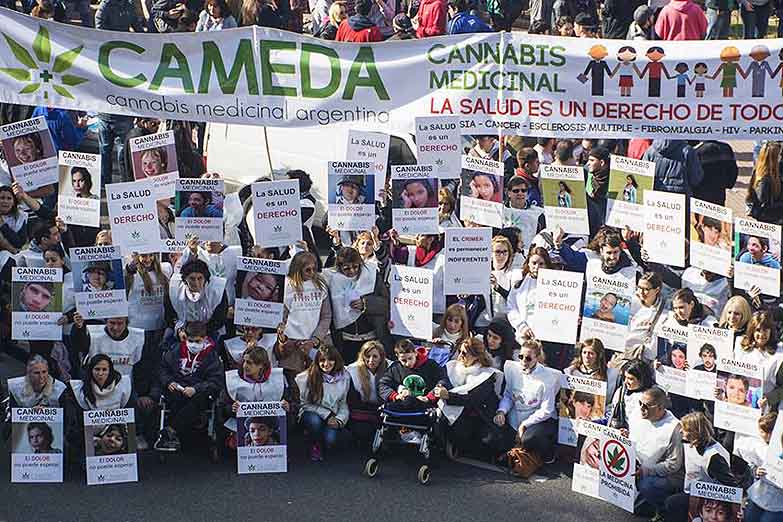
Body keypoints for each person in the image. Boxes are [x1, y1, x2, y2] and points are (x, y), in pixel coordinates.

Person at [664, 412, 745, 522]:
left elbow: (732, 486)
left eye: (685, 429)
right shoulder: (690, 442)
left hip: (711, 498)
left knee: (673, 503)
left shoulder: (714, 457)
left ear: (695, 432)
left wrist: (737, 511)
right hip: (691, 490)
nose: (680, 431)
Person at [493, 340, 561, 468]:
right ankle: (518, 453)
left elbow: (546, 410)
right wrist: (501, 411)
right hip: (515, 414)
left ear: (537, 358)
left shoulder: (547, 377)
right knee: (493, 438)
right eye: (521, 356)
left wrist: (525, 424)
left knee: (529, 440)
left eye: (528, 358)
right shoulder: (513, 370)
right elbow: (508, 395)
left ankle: (546, 451)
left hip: (538, 419)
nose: (523, 360)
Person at [157, 321, 223, 451]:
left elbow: (216, 381)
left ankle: (171, 430)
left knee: (200, 398)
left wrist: (196, 389)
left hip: (199, 392)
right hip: (177, 389)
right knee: (174, 396)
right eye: (190, 341)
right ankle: (175, 433)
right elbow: (162, 370)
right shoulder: (175, 350)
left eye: (198, 341)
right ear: (185, 338)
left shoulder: (212, 356)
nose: (193, 345)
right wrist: (169, 382)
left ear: (204, 339)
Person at [435, 337, 503, 456]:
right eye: (460, 351)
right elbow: (443, 380)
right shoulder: (452, 366)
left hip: (478, 415)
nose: (460, 356)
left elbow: (472, 400)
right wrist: (441, 386)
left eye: (464, 353)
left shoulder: (486, 374)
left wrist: (448, 396)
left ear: (476, 357)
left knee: (483, 441)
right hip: (459, 410)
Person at [325, 247, 388, 364]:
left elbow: (385, 302)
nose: (352, 271)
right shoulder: (331, 279)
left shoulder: (372, 275)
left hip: (370, 338)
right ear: (339, 267)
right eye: (346, 268)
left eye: (355, 267)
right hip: (345, 340)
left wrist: (366, 303)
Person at [222, 344, 289, 448]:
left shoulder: (277, 379)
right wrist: (232, 408)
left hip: (269, 424)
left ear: (261, 365)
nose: (244, 366)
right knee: (236, 445)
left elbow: (292, 402)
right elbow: (222, 406)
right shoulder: (233, 379)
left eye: (249, 363)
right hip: (240, 423)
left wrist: (288, 406)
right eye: (244, 361)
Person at [277, 252, 331, 379]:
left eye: (314, 269)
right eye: (308, 270)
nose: (312, 273)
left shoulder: (321, 285)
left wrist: (314, 340)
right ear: (298, 269)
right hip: (293, 345)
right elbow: (281, 318)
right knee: (296, 385)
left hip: (317, 342)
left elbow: (326, 316)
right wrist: (285, 338)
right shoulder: (286, 286)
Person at [633, 387, 684, 518]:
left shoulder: (674, 428)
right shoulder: (638, 416)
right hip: (640, 466)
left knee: (647, 486)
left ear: (660, 407)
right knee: (635, 508)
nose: (642, 408)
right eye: (640, 403)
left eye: (647, 405)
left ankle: (664, 510)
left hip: (663, 475)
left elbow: (673, 465)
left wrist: (647, 470)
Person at [296, 345, 350, 461]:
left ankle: (326, 441)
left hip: (333, 416)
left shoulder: (345, 376)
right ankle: (314, 443)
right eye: (322, 360)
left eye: (330, 360)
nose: (326, 364)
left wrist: (339, 420)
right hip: (311, 413)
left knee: (331, 439)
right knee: (314, 421)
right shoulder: (305, 378)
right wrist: (327, 415)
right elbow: (303, 404)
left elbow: (343, 403)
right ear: (317, 361)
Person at [166, 258, 228, 341]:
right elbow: (169, 315)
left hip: (209, 329)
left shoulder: (217, 290)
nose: (196, 283)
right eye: (192, 278)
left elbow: (220, 318)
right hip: (183, 329)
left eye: (200, 278)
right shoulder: (173, 288)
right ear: (185, 279)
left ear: (205, 279)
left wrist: (201, 334)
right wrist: (180, 330)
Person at [379, 339, 444, 413]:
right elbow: (383, 385)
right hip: (403, 404)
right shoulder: (395, 368)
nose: (408, 363)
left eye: (410, 358)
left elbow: (442, 381)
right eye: (403, 360)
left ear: (415, 353)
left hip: (425, 405)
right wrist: (395, 396)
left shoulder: (431, 365)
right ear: (397, 356)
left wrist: (429, 397)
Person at [741, 413, 783, 522]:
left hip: (777, 505)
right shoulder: (760, 446)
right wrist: (756, 471)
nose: (761, 434)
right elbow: (751, 465)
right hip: (758, 495)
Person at [346, 340, 388, 443]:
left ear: (381, 357)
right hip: (363, 411)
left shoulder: (390, 367)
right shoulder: (352, 370)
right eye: (367, 356)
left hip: (384, 411)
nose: (370, 360)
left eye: (375, 356)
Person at [507, 246, 553, 340]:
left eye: (541, 264)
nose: (537, 267)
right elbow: (511, 308)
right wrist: (522, 326)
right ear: (528, 263)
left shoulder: (555, 285)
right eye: (534, 263)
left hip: (547, 335)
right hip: (523, 335)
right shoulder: (519, 284)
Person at [623, 273, 665, 364]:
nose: (641, 292)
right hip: (620, 351)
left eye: (646, 289)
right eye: (639, 287)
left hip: (639, 356)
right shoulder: (629, 301)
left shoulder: (663, 312)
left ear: (657, 290)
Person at [565, 338, 619, 405]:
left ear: (599, 355)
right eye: (584, 352)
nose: (587, 356)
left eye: (591, 353)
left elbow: (610, 401)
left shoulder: (610, 374)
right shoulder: (570, 372)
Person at [607, 359, 654, 435]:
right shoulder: (621, 391)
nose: (626, 382)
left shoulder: (650, 398)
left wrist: (630, 434)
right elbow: (611, 415)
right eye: (625, 377)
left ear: (642, 379)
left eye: (631, 379)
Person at [746, 142, 783, 224]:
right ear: (773, 158)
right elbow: (764, 203)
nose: (781, 157)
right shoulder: (764, 180)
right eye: (780, 155)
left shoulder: (768, 173)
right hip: (770, 218)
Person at [490, 234, 523, 320]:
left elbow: (515, 300)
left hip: (505, 322)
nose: (501, 255)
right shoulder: (483, 273)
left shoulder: (514, 274)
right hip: (483, 322)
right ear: (490, 253)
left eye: (505, 252)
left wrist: (498, 288)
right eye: (497, 252)